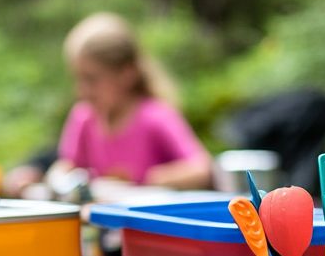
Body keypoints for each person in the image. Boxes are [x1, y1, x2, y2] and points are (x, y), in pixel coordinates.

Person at [42, 12, 213, 191]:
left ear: (127, 73)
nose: (82, 90)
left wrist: (150, 180)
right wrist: (59, 178)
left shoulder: (155, 117)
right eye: (78, 79)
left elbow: (201, 168)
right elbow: (68, 166)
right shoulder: (84, 117)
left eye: (91, 79)